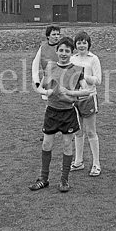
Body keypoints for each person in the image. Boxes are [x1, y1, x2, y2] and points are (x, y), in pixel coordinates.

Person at [29, 37, 89, 193]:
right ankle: (44, 179)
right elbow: (39, 87)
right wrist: (45, 91)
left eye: (67, 51)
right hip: (52, 111)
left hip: (68, 113)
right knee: (46, 144)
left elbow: (87, 91)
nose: (63, 53)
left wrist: (69, 92)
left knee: (67, 145)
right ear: (56, 51)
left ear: (71, 52)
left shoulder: (77, 70)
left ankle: (64, 180)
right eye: (61, 50)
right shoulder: (50, 67)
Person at [70, 31, 103, 177]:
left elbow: (98, 80)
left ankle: (96, 164)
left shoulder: (93, 59)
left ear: (88, 44)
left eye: (84, 42)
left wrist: (84, 76)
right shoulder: (72, 59)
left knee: (91, 131)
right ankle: (78, 161)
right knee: (78, 131)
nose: (81, 45)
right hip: (74, 98)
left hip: (89, 97)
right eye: (79, 42)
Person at [31, 25, 62, 98]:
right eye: (54, 34)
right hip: (48, 81)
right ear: (48, 36)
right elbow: (35, 65)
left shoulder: (63, 47)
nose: (56, 36)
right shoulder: (43, 48)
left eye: (58, 34)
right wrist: (37, 82)